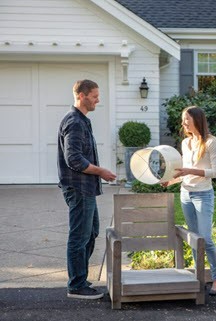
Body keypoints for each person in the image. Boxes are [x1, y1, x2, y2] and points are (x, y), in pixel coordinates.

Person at [57, 79, 116, 299]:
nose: (97, 100)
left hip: (86, 188)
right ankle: (76, 285)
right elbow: (73, 159)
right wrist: (101, 171)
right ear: (81, 96)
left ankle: (79, 277)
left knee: (90, 232)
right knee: (79, 237)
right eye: (94, 96)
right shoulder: (74, 121)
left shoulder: (82, 120)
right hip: (79, 187)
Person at [163, 106, 216, 296]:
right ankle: (199, 277)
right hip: (186, 195)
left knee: (205, 238)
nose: (183, 123)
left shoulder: (211, 142)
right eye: (183, 119)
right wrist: (171, 180)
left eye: (186, 119)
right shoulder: (185, 143)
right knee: (194, 239)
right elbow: (184, 172)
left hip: (203, 195)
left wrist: (189, 171)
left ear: (197, 120)